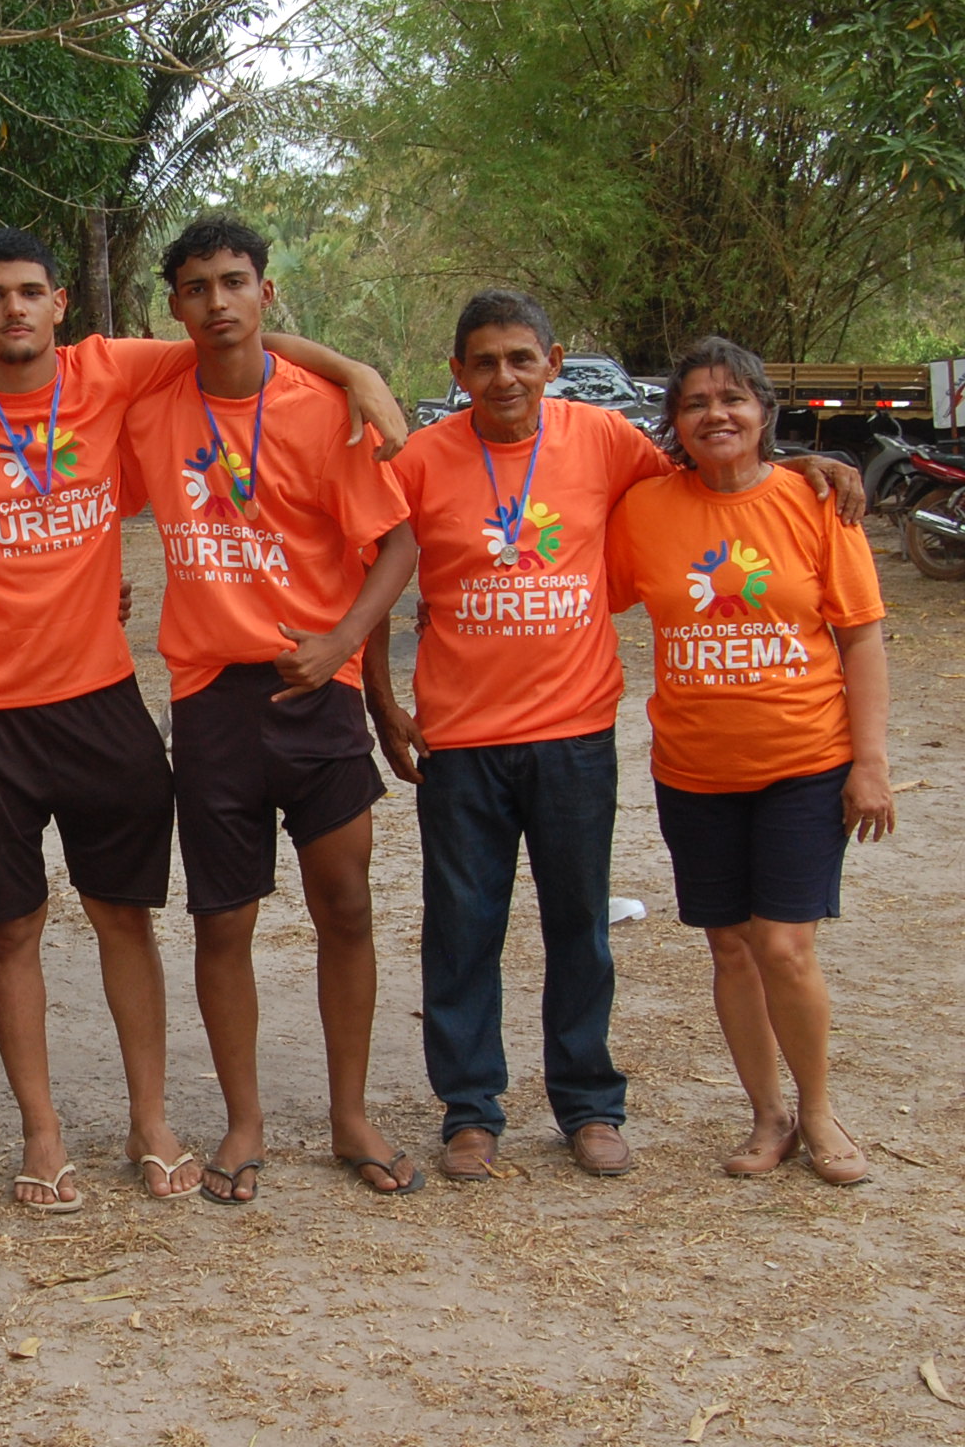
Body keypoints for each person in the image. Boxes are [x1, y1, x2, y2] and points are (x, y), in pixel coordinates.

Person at [0, 229, 404, 1208]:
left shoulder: (110, 371)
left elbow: (233, 337)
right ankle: (42, 1133)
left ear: (61, 306)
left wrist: (353, 370)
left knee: (124, 915)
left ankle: (152, 1120)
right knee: (13, 928)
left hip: (102, 696)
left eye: (30, 292)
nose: (14, 308)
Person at [364, 290, 864, 1181]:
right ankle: (470, 1113)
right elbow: (370, 570)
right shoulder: (423, 461)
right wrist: (380, 701)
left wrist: (802, 466)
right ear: (458, 373)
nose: (505, 376)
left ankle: (589, 1105)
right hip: (461, 740)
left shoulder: (602, 438)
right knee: (462, 930)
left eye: (522, 358)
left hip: (576, 732)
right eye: (485, 362)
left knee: (580, 928)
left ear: (553, 364)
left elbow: (711, 469)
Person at [122, 216, 421, 1201]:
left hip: (317, 690)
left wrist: (344, 645)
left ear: (267, 291)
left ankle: (350, 1115)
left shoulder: (324, 411)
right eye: (197, 286)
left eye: (235, 281)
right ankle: (243, 1120)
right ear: (174, 305)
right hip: (213, 698)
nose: (218, 301)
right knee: (224, 922)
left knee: (347, 904)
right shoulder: (152, 404)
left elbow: (397, 544)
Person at [607, 337, 892, 1185]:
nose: (716, 415)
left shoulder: (816, 503)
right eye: (696, 403)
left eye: (732, 399)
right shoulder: (645, 509)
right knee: (731, 948)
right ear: (676, 422)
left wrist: (870, 763)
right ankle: (768, 1116)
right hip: (693, 769)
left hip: (805, 761)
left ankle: (819, 1110)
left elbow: (862, 637)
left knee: (784, 946)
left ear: (764, 412)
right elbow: (585, 585)